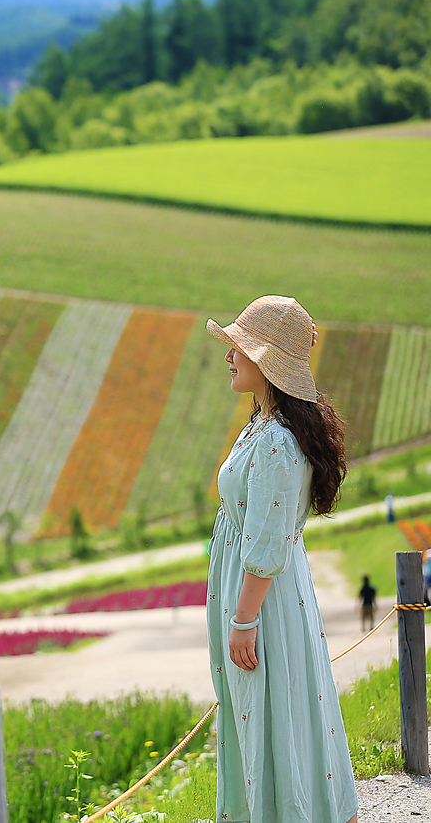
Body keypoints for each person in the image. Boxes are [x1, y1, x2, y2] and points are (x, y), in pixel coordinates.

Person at [207, 295, 357, 823]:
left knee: (269, 705)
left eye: (239, 346)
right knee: (275, 706)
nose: (229, 354)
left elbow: (266, 543)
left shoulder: (274, 443)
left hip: (262, 604)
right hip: (266, 597)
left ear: (266, 360)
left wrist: (243, 620)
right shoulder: (264, 425)